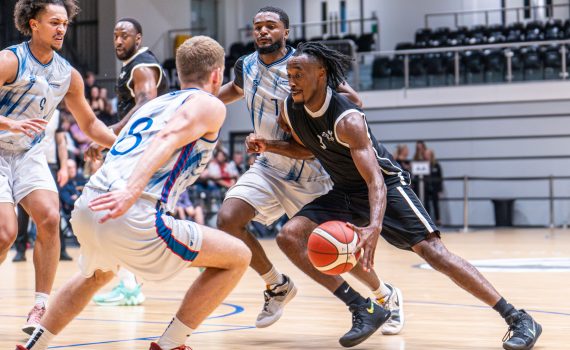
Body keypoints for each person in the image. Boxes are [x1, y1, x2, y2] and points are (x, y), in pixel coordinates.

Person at [251, 41, 542, 350]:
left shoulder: (347, 118)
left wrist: (374, 227)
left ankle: (518, 318)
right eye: (290, 74)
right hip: (346, 191)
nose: (291, 80)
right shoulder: (290, 109)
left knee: (434, 253)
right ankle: (362, 307)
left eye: (299, 74)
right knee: (289, 237)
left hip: (386, 186)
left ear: (321, 75)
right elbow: (310, 148)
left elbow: (375, 179)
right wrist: (269, 145)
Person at [17, 35, 251, 350]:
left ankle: (33, 345)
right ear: (216, 75)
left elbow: (131, 146)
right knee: (238, 256)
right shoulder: (208, 104)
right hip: (132, 209)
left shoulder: (153, 105)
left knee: (96, 275)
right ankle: (170, 344)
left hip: (90, 205)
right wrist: (131, 191)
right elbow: (168, 137)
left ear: (180, 74)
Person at [216, 7, 402, 335]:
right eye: (257, 26)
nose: (262, 31)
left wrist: (314, 115)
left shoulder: (304, 65)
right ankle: (277, 285)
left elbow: (352, 100)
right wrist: (198, 99)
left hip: (312, 168)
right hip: (269, 166)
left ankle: (385, 295)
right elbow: (232, 91)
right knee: (228, 219)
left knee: (337, 247)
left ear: (285, 32)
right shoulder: (245, 66)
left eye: (270, 26)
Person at [0, 0, 116, 335]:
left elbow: (91, 123)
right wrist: (8, 124)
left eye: (65, 23)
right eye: (54, 22)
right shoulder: (10, 60)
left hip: (28, 155)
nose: (62, 28)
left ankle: (39, 307)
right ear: (33, 24)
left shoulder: (68, 74)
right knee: (5, 234)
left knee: (50, 217)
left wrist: (123, 146)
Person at [91, 17, 170, 307]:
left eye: (124, 35)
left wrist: (109, 133)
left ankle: (197, 249)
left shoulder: (142, 65)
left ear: (138, 38)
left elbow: (145, 104)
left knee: (119, 215)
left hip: (143, 151)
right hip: (138, 149)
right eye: (115, 36)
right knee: (119, 216)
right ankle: (129, 284)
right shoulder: (132, 65)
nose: (118, 41)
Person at [423, 149, 443, 226]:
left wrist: (440, 190)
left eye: (428, 154)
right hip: (425, 187)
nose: (426, 156)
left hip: (435, 188)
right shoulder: (422, 165)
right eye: (425, 154)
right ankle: (428, 221)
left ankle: (438, 220)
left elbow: (440, 178)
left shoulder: (436, 165)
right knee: (426, 204)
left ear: (431, 155)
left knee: (435, 204)